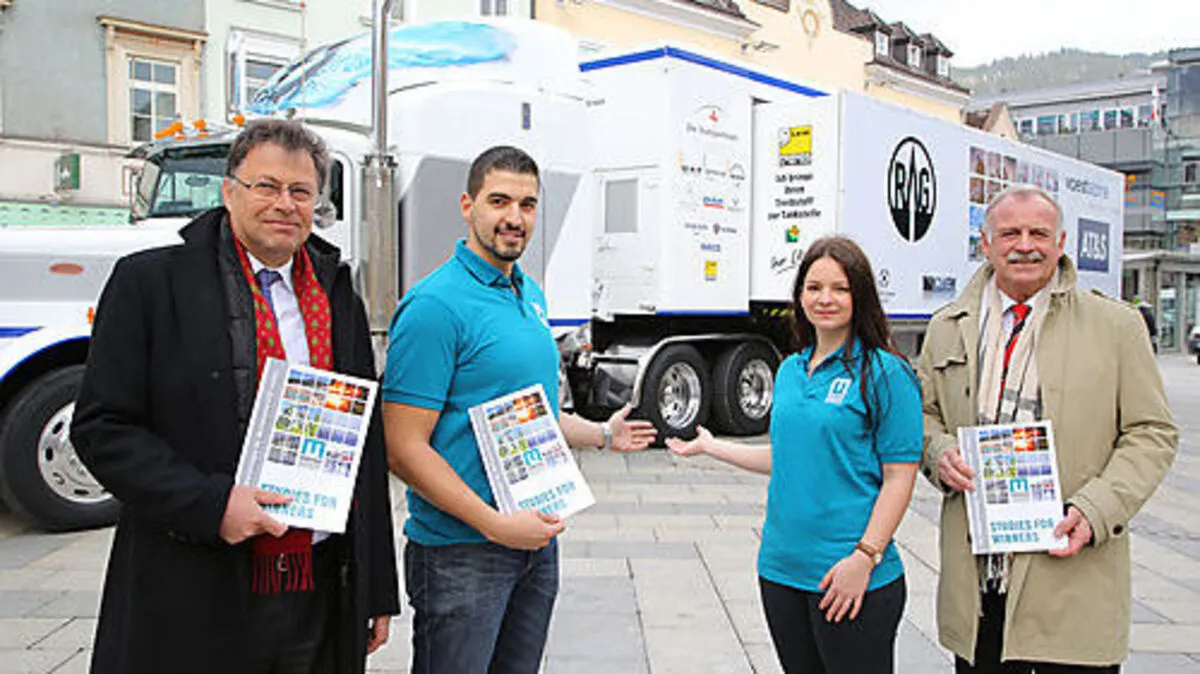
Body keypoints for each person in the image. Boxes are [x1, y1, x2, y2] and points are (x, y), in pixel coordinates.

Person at [71, 119, 400, 674]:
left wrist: (376, 586)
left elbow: (363, 444)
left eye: (301, 192)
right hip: (196, 580)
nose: (285, 204)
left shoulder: (336, 293)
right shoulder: (151, 283)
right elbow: (102, 428)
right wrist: (212, 504)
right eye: (266, 186)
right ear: (229, 191)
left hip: (317, 582)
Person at [382, 145, 657, 673]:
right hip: (461, 552)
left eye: (528, 205)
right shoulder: (434, 306)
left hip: (533, 540)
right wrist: (493, 524)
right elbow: (402, 447)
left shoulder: (528, 293)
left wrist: (603, 434)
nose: (515, 217)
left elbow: (533, 414)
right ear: (468, 206)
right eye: (499, 201)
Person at [917, 185, 1177, 673]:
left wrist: (1096, 509)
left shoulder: (1115, 326)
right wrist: (938, 452)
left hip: (1071, 584)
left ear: (1060, 243)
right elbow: (923, 415)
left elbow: (1152, 431)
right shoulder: (947, 326)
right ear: (985, 243)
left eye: (1038, 233)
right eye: (1009, 233)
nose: (1025, 245)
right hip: (979, 591)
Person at [668, 235, 922, 674]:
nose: (825, 299)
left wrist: (864, 557)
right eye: (814, 287)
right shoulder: (789, 370)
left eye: (840, 288)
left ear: (860, 295)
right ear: (799, 295)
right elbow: (790, 457)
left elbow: (900, 477)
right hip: (781, 570)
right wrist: (711, 446)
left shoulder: (885, 372)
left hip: (849, 575)